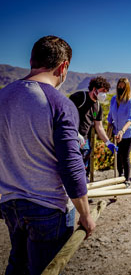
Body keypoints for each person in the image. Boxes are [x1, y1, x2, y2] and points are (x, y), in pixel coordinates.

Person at [0, 35, 95, 275]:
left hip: (10, 203)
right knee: (46, 269)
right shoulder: (58, 103)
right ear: (63, 67)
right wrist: (85, 214)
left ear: (32, 60)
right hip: (47, 207)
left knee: (17, 264)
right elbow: (71, 166)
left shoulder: (4, 96)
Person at [69, 76, 118, 179]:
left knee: (84, 166)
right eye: (102, 91)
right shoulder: (79, 98)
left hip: (84, 140)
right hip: (71, 137)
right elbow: (66, 117)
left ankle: (83, 188)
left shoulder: (98, 107)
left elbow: (99, 127)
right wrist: (76, 134)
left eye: (106, 92)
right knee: (72, 166)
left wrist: (108, 143)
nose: (104, 94)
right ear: (94, 89)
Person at [107, 78, 131, 187]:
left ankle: (127, 179)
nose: (120, 88)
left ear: (127, 88)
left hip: (128, 131)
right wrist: (108, 129)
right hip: (117, 131)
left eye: (123, 87)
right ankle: (120, 176)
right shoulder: (113, 99)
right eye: (119, 86)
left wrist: (122, 131)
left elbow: (130, 119)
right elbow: (110, 115)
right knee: (118, 154)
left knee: (125, 155)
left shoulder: (130, 100)